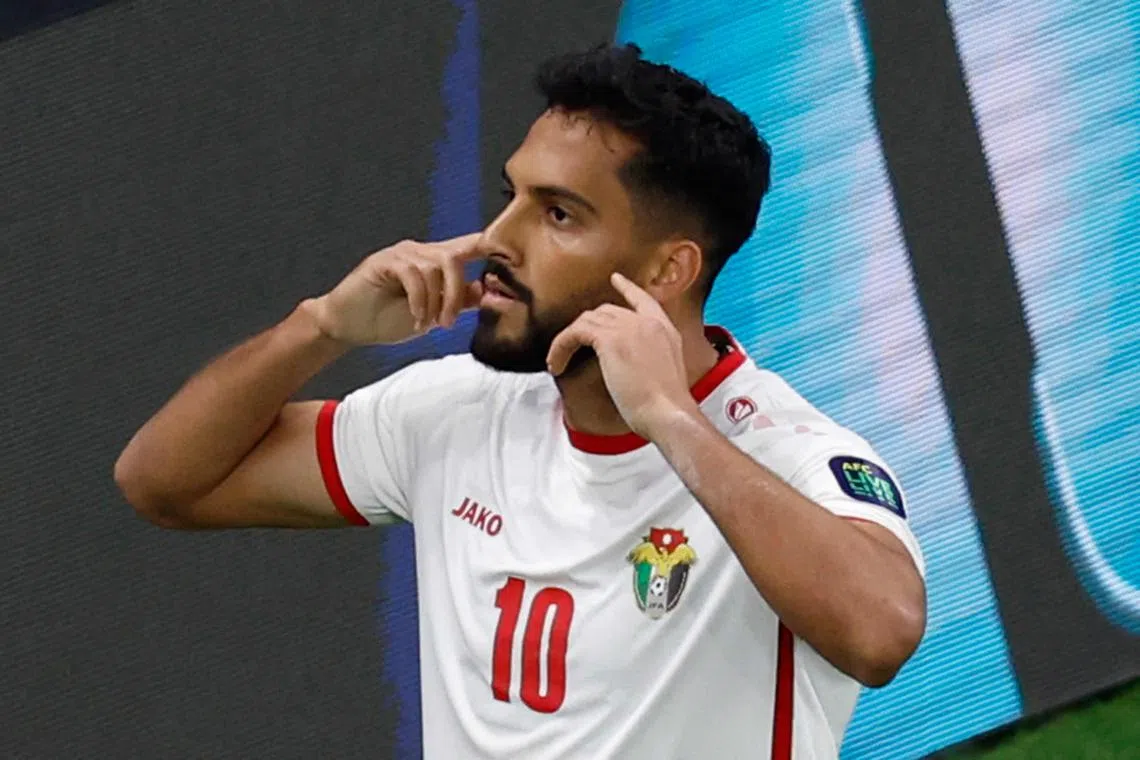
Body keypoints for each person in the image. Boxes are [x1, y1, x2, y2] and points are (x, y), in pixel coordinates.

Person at [115, 43, 926, 760]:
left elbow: (880, 632)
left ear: (665, 272)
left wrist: (672, 422)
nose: (500, 237)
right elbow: (164, 481)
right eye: (513, 195)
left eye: (558, 214)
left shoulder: (786, 450)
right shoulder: (453, 410)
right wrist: (321, 326)